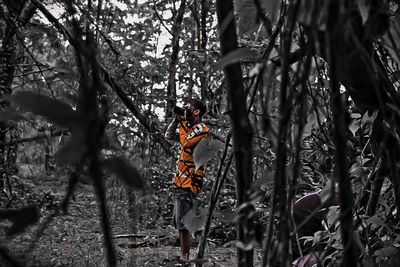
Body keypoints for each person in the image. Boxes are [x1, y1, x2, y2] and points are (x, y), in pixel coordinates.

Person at [164, 98, 209, 262]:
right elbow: (168, 136)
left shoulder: (201, 129)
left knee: (184, 221)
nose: (185, 110)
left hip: (190, 181)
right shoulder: (188, 128)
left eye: (188, 108)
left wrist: (182, 124)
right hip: (180, 181)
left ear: (196, 112)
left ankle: (185, 256)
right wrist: (176, 120)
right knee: (180, 220)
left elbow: (187, 143)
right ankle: (185, 254)